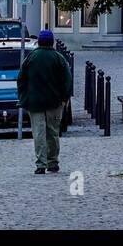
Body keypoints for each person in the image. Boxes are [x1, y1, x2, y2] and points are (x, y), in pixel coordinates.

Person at [18, 30, 73, 175]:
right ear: (52, 42)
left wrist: (23, 97)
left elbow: (21, 79)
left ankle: (41, 164)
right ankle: (53, 162)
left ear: (39, 42)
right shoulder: (58, 58)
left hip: (35, 102)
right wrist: (64, 98)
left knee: (39, 133)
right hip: (54, 102)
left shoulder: (31, 57)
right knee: (53, 133)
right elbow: (67, 80)